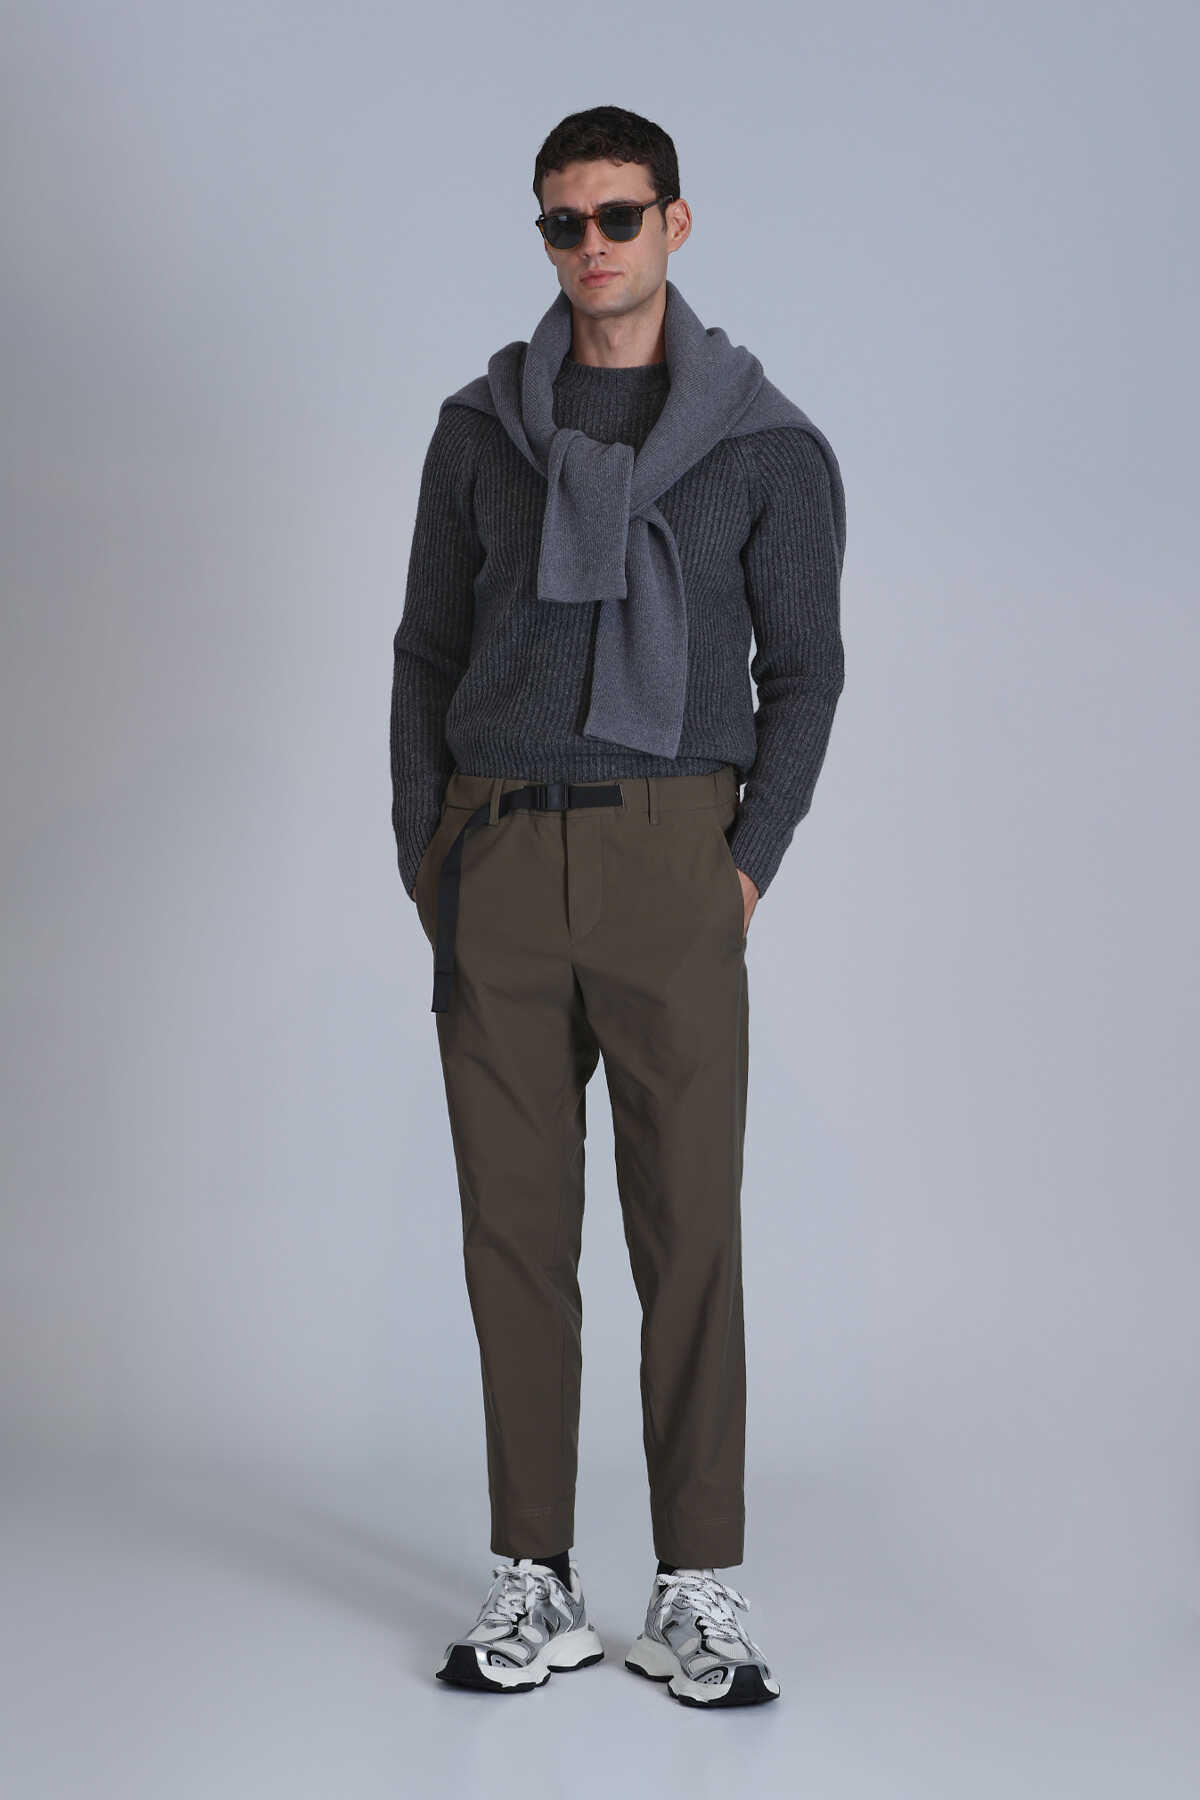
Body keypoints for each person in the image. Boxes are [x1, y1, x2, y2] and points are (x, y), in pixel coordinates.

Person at [389, 104, 846, 1708]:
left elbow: (806, 673)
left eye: (618, 217)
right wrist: (430, 853)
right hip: (499, 856)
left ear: (675, 225)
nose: (590, 247)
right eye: (562, 222)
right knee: (513, 1238)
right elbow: (427, 653)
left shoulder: (765, 446)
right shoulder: (479, 432)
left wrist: (743, 864)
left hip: (672, 864)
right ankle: (535, 1576)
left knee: (689, 1232)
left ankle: (699, 1586)